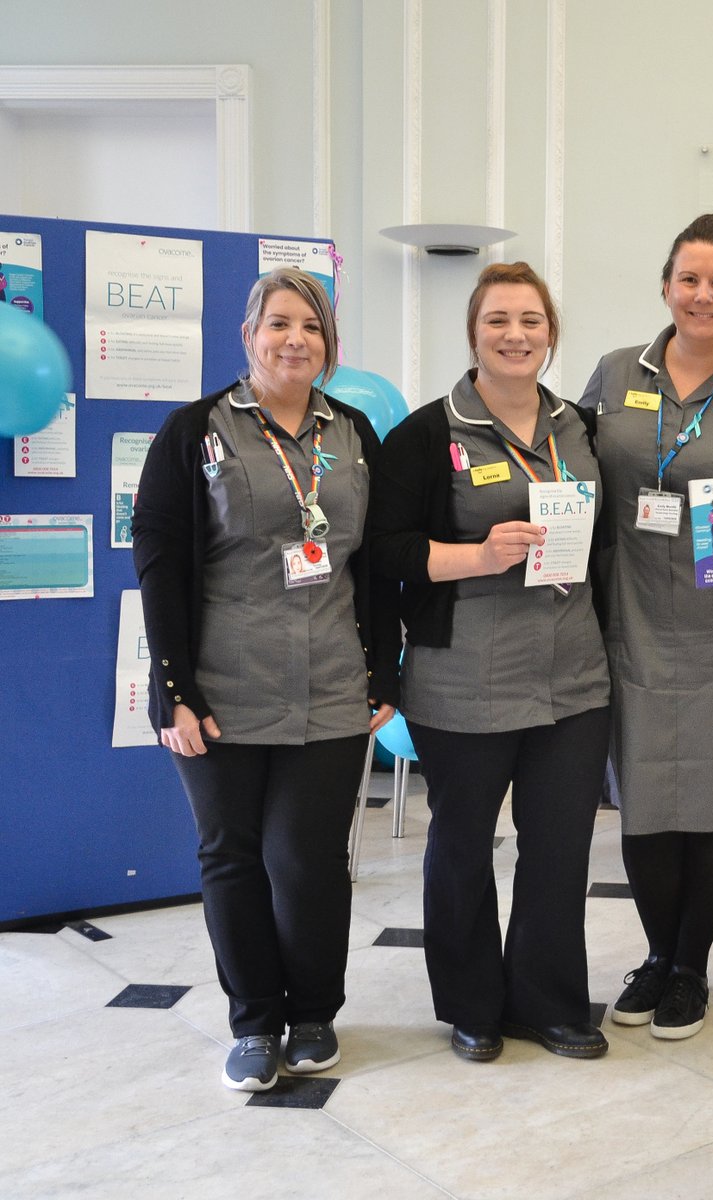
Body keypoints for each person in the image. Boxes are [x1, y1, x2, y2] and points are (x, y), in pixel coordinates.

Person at [132, 268, 401, 1091]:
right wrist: (173, 687)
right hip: (219, 689)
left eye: (311, 327)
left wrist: (380, 667)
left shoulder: (352, 433)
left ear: (329, 344)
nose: (295, 340)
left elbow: (379, 564)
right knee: (233, 857)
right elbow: (159, 562)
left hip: (327, 683)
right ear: (248, 336)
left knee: (310, 858)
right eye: (278, 324)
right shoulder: (195, 432)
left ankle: (314, 1012)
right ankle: (253, 1021)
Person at [370, 261, 610, 1063]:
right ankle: (472, 1004)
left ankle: (547, 1002)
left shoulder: (579, 427)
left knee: (558, 847)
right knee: (464, 844)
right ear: (473, 332)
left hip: (572, 678)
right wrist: (476, 556)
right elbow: (383, 551)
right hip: (463, 677)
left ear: (551, 334)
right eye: (499, 320)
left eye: (531, 321)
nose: (516, 336)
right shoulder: (426, 433)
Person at [580, 214, 713, 1040]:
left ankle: (691, 969)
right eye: (689, 279)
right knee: (646, 799)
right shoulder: (611, 375)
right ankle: (654, 956)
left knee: (711, 804)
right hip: (629, 614)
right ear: (666, 287)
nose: (702, 295)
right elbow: (571, 473)